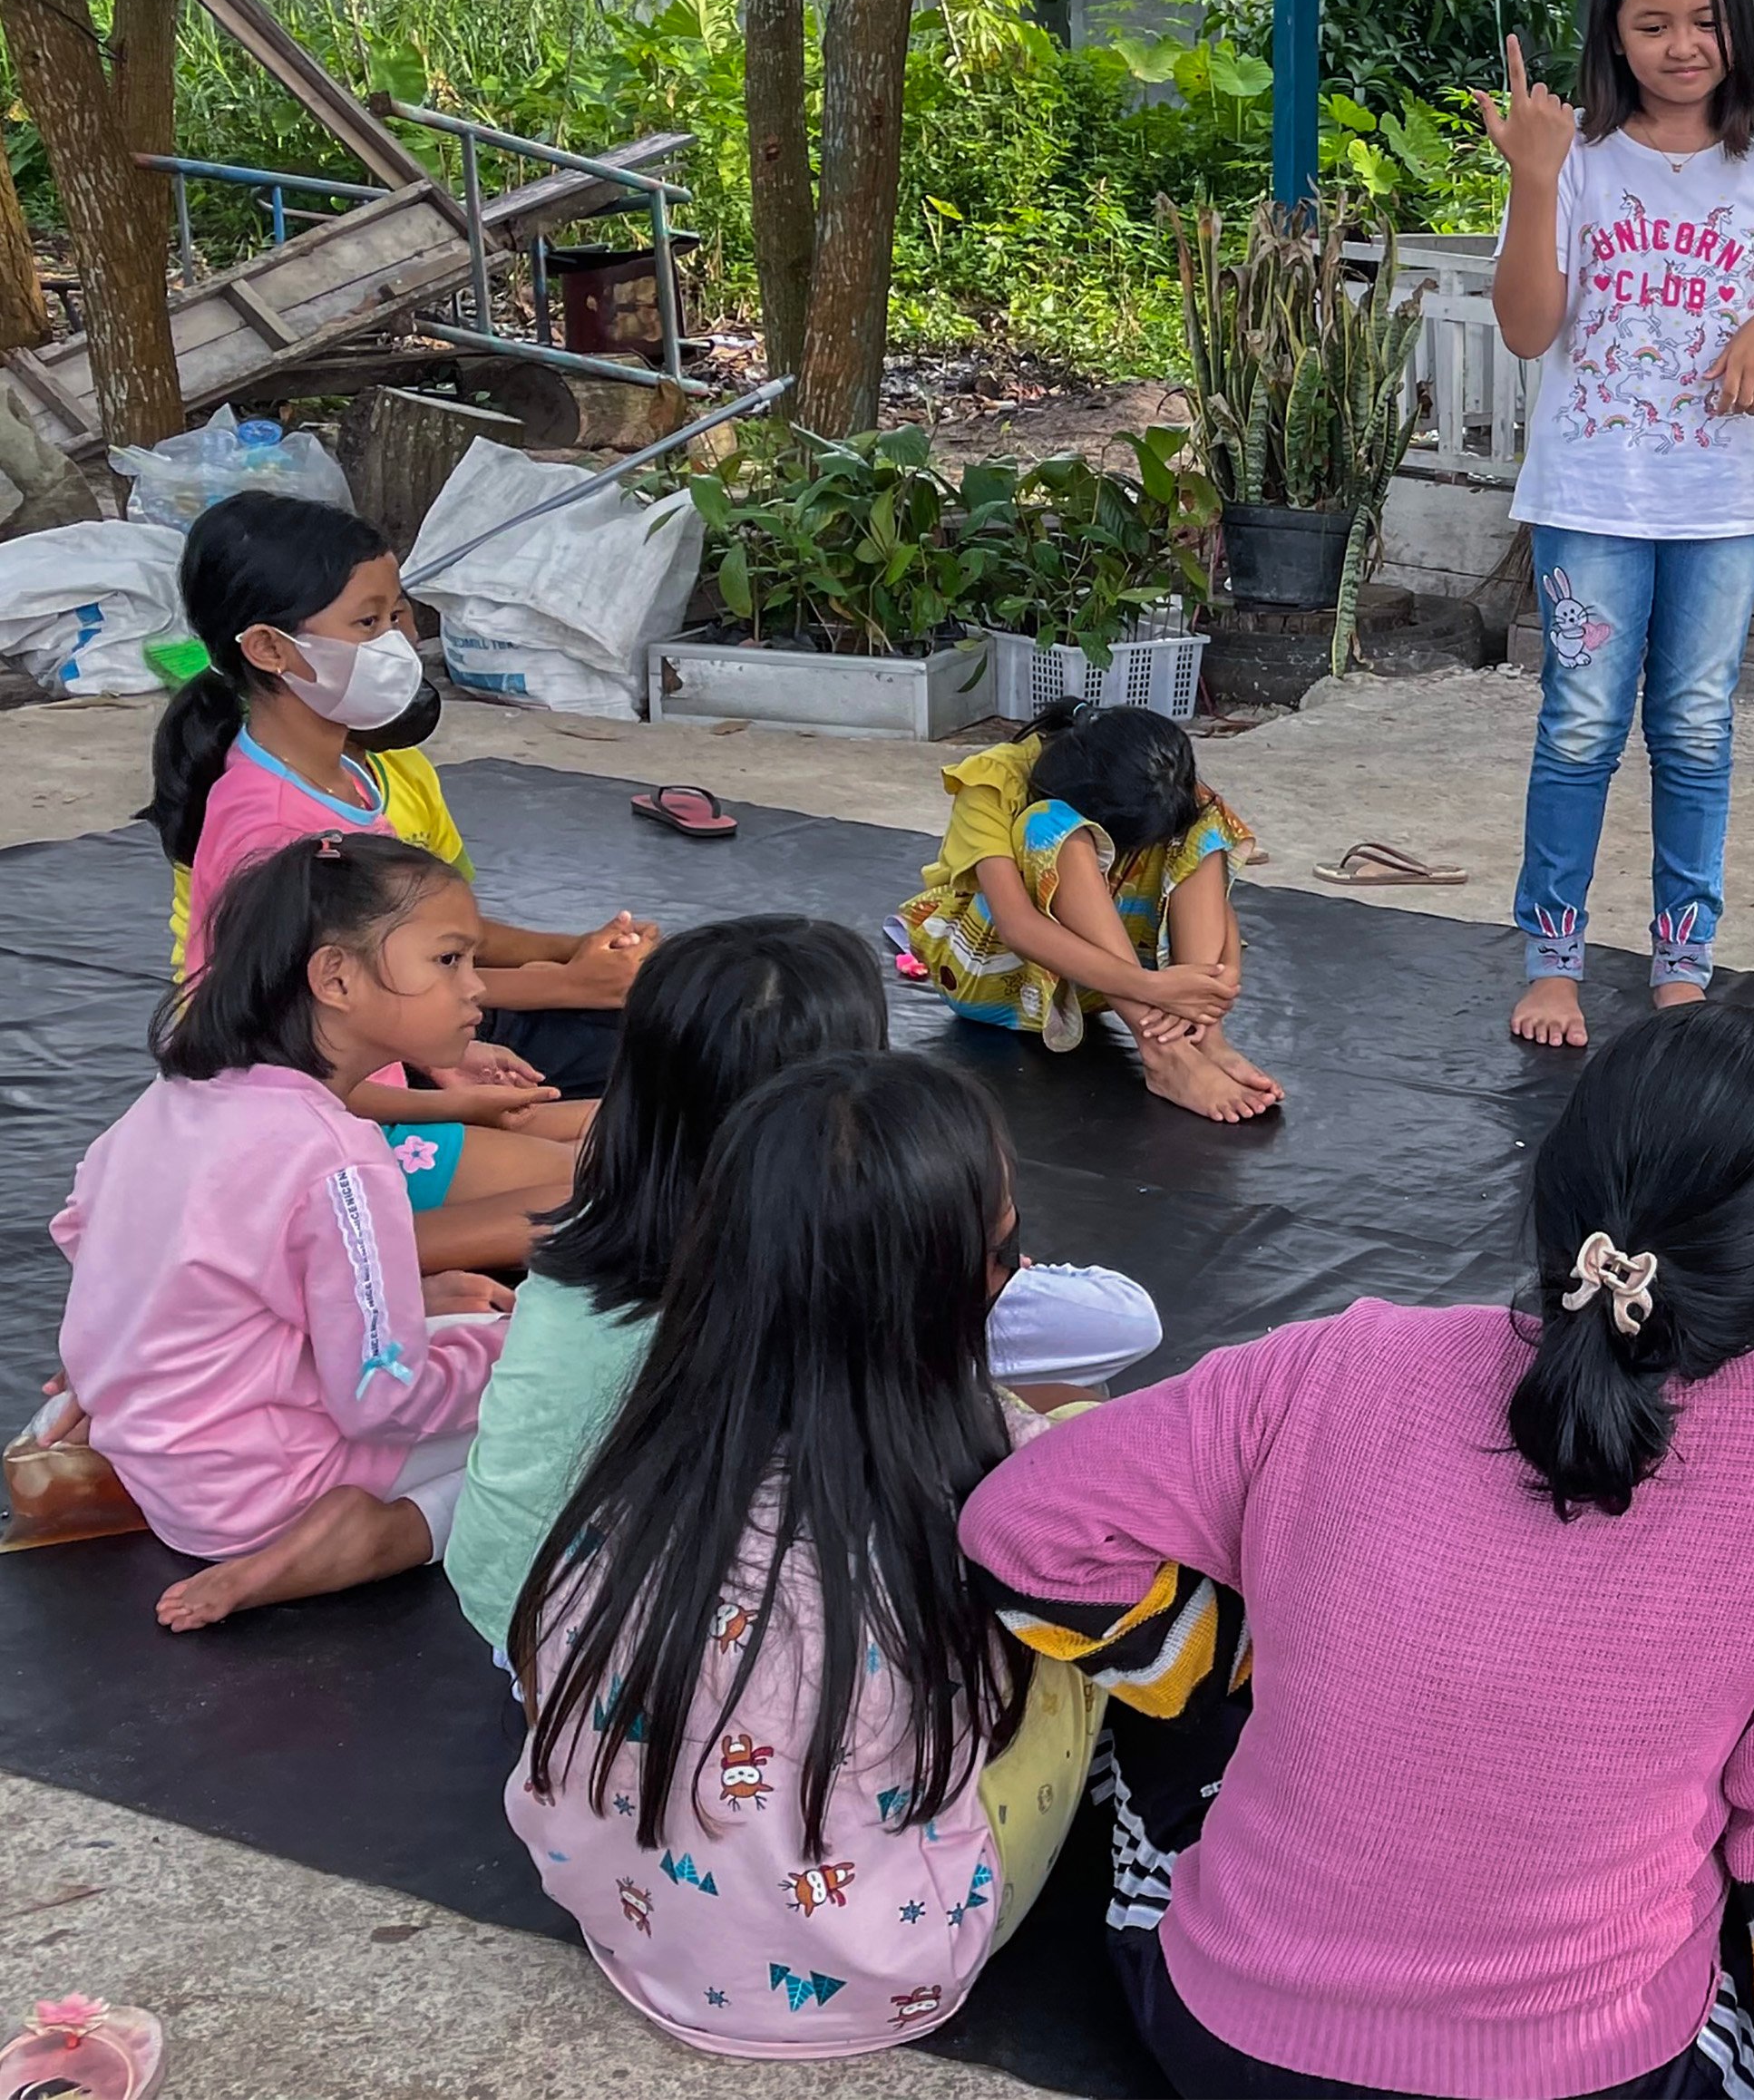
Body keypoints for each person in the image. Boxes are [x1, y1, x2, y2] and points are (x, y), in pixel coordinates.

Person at [960, 1006, 1754, 2100]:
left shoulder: (1334, 1363)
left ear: (1554, 1188)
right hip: (1590, 2076)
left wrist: (1240, 1662)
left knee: (1150, 1740)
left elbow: (1022, 1532)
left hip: (1231, 2043)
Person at [505, 1053, 1101, 2059]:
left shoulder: (643, 1467)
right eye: (1004, 1247)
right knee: (1092, 1525)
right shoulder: (1001, 1471)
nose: (1018, 1264)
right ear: (944, 1290)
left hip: (630, 1923)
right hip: (889, 1971)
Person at [443, 917, 1164, 1652]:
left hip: (511, 1616)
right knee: (1070, 1401)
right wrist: (990, 1261)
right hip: (653, 1661)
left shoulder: (586, 1228)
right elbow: (1126, 1324)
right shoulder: (847, 1265)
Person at [1481, 0, 1754, 1050]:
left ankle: (1682, 961)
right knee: (1580, 726)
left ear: (1737, 24)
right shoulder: (1575, 162)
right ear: (1612, 34)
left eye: (1704, 19)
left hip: (1722, 507)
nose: (1683, 45)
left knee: (1692, 730)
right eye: (1652, 24)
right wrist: (1535, 181)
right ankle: (1553, 961)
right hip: (1589, 498)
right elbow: (1527, 329)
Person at [146, 493, 654, 1269]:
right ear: (270, 648)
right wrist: (446, 1101)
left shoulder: (348, 776)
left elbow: (377, 990)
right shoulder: (274, 828)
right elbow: (275, 1067)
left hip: (370, 1092)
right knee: (617, 1191)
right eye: (367, 623)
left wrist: (449, 1067)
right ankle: (344, 1268)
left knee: (658, 1140)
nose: (399, 641)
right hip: (324, 1132)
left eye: (396, 614)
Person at [54, 835, 514, 1632]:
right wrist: (527, 1353)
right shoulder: (337, 1157)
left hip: (162, 1470)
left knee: (465, 1334)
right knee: (592, 1413)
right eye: (448, 960)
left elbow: (83, 1229)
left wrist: (411, 1299)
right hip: (271, 1496)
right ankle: (379, 1539)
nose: (475, 988)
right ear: (335, 978)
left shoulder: (173, 1099)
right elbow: (382, 1401)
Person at [896, 696, 1277, 1122]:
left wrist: (1219, 983)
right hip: (995, 974)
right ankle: (1164, 1053)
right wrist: (1150, 987)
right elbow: (1017, 926)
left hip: (1105, 983)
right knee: (1049, 825)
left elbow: (1213, 888)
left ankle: (1201, 1038)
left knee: (1203, 815)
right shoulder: (993, 779)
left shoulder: (1153, 778)